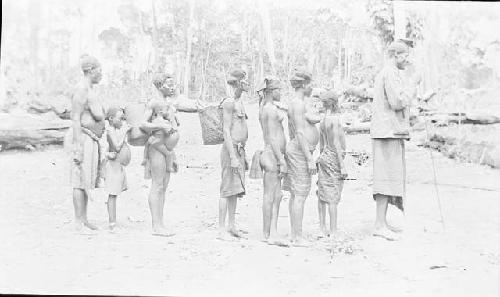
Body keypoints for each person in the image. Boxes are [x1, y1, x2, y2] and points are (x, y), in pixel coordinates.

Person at [370, 40, 421, 240]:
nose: (407, 60)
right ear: (396, 55)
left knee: (390, 176)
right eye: (405, 55)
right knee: (385, 176)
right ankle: (379, 224)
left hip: (391, 131)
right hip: (386, 132)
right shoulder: (389, 73)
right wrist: (413, 84)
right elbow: (397, 101)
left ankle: (381, 221)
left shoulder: (391, 73)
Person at [139, 72, 198, 237]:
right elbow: (143, 123)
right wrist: (162, 127)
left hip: (167, 149)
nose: (172, 87)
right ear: (159, 85)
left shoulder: (169, 103)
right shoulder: (153, 102)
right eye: (169, 84)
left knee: (164, 187)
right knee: (157, 185)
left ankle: (161, 223)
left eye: (173, 84)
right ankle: (155, 225)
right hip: (157, 147)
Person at [283, 70, 321, 246]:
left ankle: (294, 233)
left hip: (300, 150)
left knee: (296, 194)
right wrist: (309, 158)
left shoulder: (301, 103)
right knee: (299, 195)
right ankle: (297, 237)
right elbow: (299, 132)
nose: (312, 87)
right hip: (300, 152)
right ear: (304, 85)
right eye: (310, 83)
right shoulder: (297, 104)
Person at [250, 76, 288, 246]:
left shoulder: (266, 108)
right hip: (272, 154)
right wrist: (282, 160)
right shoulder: (270, 110)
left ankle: (271, 231)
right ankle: (269, 233)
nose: (282, 92)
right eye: (279, 89)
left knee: (276, 195)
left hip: (272, 154)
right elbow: (272, 137)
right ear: (272, 92)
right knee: (270, 195)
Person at [70, 54, 105, 232]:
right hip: (81, 138)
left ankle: (84, 219)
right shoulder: (82, 88)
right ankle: (78, 221)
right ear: (90, 70)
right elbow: (75, 118)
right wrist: (77, 147)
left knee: (86, 180)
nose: (101, 73)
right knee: (78, 179)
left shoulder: (91, 89)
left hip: (91, 138)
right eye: (99, 70)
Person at [217, 69, 249, 240]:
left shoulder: (239, 102)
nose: (247, 82)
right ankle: (221, 229)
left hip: (239, 150)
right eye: (244, 80)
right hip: (231, 152)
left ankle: (231, 225)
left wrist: (242, 154)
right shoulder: (229, 102)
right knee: (226, 190)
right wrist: (233, 156)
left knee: (235, 190)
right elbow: (226, 131)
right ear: (237, 82)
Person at [316, 91, 347, 237]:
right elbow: (336, 142)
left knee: (322, 193)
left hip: (323, 156)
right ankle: (333, 230)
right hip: (334, 157)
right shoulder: (334, 119)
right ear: (334, 103)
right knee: (333, 195)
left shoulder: (323, 120)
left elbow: (322, 144)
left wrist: (320, 158)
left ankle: (322, 228)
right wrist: (342, 165)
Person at [104, 107, 131, 230]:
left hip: (118, 165)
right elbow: (117, 146)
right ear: (111, 118)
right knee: (112, 194)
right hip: (113, 167)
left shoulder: (114, 129)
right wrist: (125, 131)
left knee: (114, 194)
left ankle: (113, 220)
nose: (122, 122)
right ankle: (112, 222)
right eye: (120, 119)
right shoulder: (110, 131)